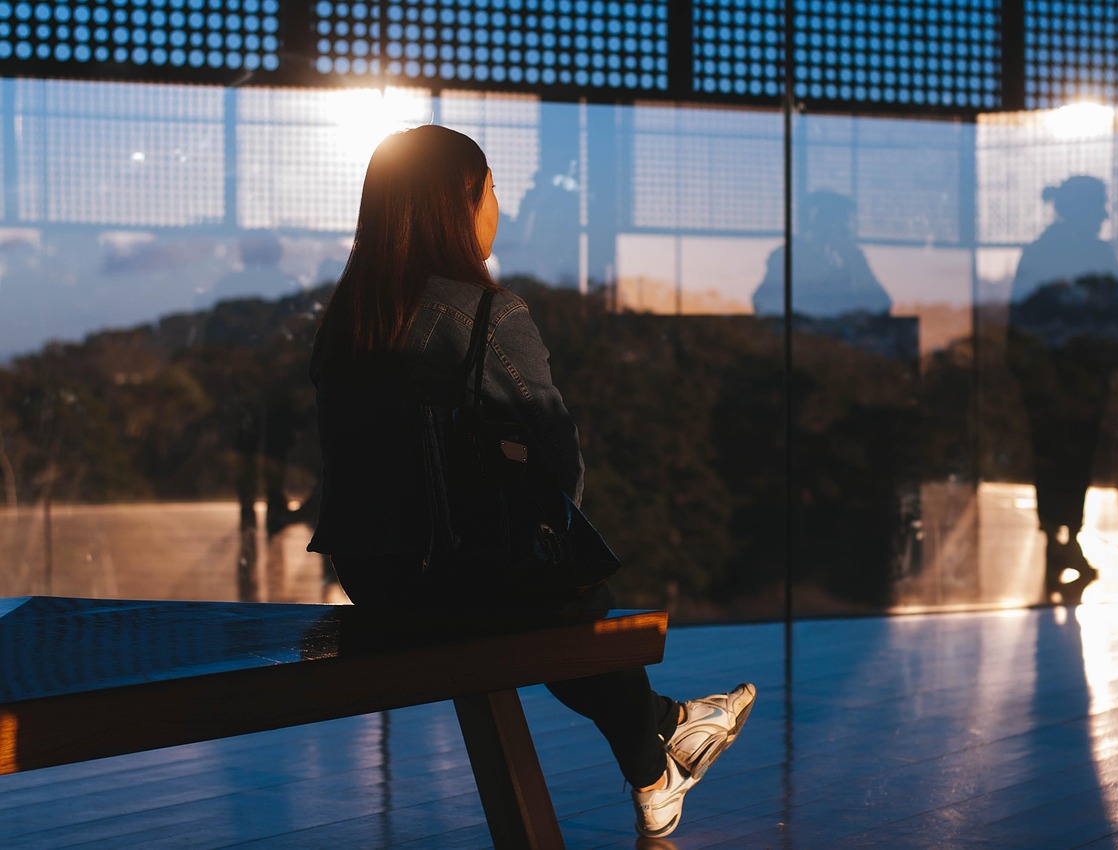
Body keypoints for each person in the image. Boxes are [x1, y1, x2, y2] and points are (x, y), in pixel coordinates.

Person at [305, 124, 755, 839]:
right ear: (459, 203)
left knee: (537, 600)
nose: (500, 206)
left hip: (373, 577)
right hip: (460, 579)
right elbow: (559, 468)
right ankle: (660, 744)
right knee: (566, 594)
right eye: (491, 188)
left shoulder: (349, 323)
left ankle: (668, 738)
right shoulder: (485, 313)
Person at [1006, 175, 1118, 604]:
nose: (1104, 215)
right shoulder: (1079, 253)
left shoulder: (1058, 252)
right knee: (1066, 457)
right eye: (1098, 205)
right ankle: (1062, 539)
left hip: (1065, 380)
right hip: (1062, 380)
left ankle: (1062, 538)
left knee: (1065, 459)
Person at [752, 190, 891, 318]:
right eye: (839, 223)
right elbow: (764, 303)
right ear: (815, 224)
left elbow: (882, 303)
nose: (845, 230)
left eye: (845, 225)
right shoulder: (786, 256)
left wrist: (852, 259)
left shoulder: (851, 257)